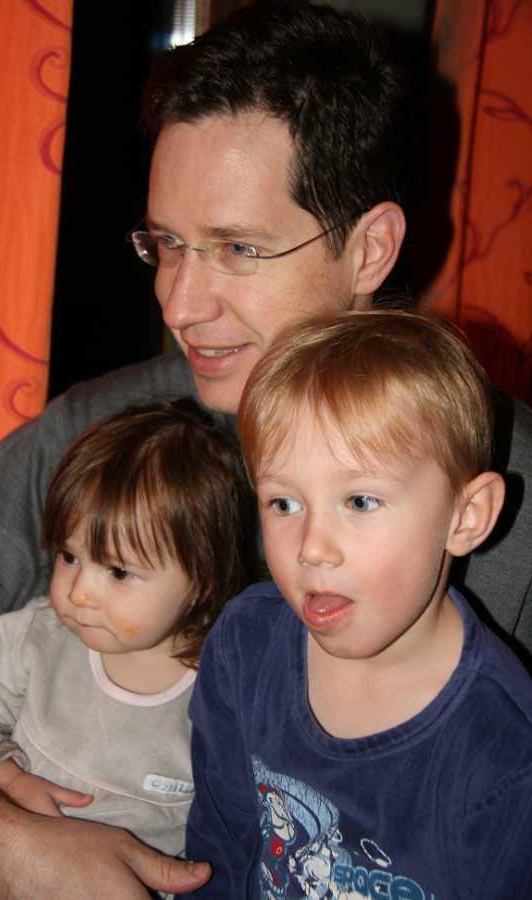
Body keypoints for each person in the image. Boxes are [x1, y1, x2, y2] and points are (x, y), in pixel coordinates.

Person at [0, 2, 531, 897]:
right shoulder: (98, 437)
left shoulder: (512, 491)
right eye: (167, 244)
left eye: (238, 248)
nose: (179, 304)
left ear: (370, 249)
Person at [181, 310, 532, 897]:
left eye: (361, 502)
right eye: (284, 504)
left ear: (465, 517)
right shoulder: (245, 647)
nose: (312, 548)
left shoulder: (505, 754)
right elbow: (218, 854)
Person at [0, 398, 260, 899]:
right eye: (69, 556)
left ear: (202, 583)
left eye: (119, 571)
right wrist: (5, 773)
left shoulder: (224, 692)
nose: (79, 592)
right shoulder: (33, 638)